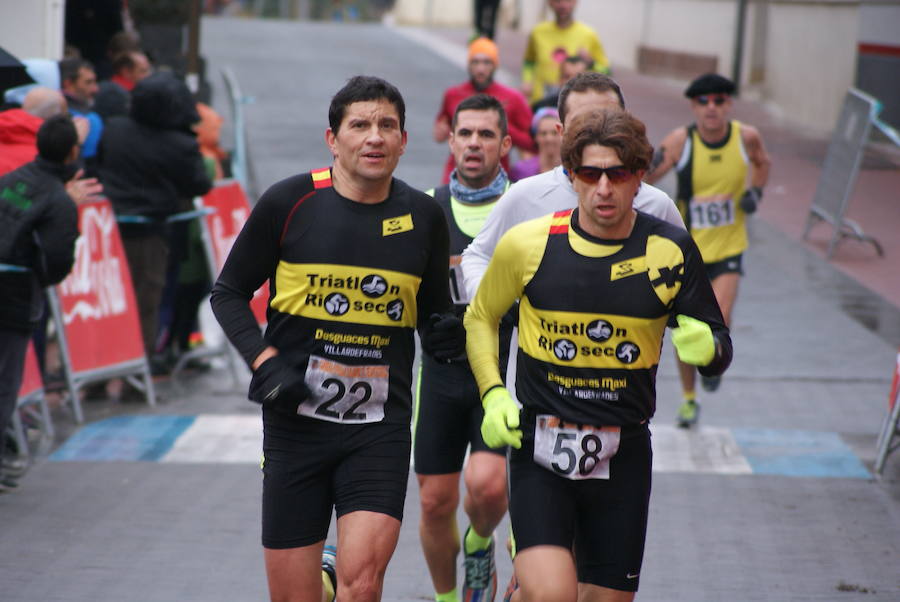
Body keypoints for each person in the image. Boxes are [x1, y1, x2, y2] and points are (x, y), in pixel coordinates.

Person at [209, 75, 466, 602]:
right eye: (360, 125)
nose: (374, 137)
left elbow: (434, 313)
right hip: (295, 427)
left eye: (387, 126)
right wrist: (263, 361)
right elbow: (228, 293)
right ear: (333, 139)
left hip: (380, 427)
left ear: (404, 140)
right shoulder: (290, 202)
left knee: (362, 584)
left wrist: (446, 333)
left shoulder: (423, 216)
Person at [465, 108, 732, 602]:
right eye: (590, 174)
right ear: (572, 176)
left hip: (624, 454)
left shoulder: (669, 248)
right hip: (540, 448)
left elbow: (718, 341)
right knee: (553, 594)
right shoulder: (529, 244)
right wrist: (494, 393)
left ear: (639, 179)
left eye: (618, 174)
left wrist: (710, 349)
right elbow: (481, 317)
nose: (604, 189)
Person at [461, 71, 684, 303]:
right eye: (583, 123)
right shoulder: (524, 196)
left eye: (608, 118)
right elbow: (478, 256)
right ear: (561, 132)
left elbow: (689, 282)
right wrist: (495, 306)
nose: (598, 131)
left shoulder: (657, 205)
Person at [416, 94, 514, 602]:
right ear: (451, 141)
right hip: (439, 374)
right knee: (434, 502)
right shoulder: (426, 209)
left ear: (505, 143)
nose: (475, 144)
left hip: (501, 372)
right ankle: (448, 597)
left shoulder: (524, 207)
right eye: (466, 134)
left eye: (486, 134)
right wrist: (424, 326)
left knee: (489, 485)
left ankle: (480, 539)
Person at [644, 73, 770, 428]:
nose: (712, 108)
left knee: (720, 318)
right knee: (688, 329)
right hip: (689, 253)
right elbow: (647, 174)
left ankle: (714, 359)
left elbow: (763, 163)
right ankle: (688, 399)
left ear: (730, 105)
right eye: (704, 102)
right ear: (693, 106)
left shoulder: (746, 138)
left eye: (719, 101)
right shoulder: (681, 142)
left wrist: (756, 192)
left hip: (730, 246)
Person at [98, 71, 212, 362]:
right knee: (147, 300)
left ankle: (100, 368)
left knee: (104, 303)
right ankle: (139, 368)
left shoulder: (114, 128)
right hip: (149, 231)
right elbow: (199, 183)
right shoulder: (178, 144)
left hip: (104, 228)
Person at [0, 115, 82, 493]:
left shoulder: (12, 179)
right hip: (14, 299)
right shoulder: (59, 201)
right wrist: (37, 277)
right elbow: (58, 262)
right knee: (5, 382)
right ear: (72, 152)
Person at [434, 37, 534, 184]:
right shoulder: (453, 94)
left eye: (487, 62)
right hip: (455, 174)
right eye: (475, 62)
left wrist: (501, 125)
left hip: (496, 176)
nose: (481, 69)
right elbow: (440, 133)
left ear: (495, 65)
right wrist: (441, 132)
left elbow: (533, 142)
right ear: (469, 65)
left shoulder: (512, 97)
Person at [521, 0, 610, 105]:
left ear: (576, 2)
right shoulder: (538, 32)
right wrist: (527, 81)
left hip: (575, 102)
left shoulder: (589, 34)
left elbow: (606, 71)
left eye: (568, 1)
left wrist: (591, 62)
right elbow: (529, 62)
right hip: (541, 101)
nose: (563, 5)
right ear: (550, 3)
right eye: (558, 1)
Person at [59, 58, 104, 163]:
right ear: (68, 84)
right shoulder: (90, 119)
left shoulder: (47, 111)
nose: (95, 89)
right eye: (88, 82)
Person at [509, 106, 562, 181]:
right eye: (543, 133)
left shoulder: (572, 170)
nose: (549, 138)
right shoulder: (521, 171)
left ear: (562, 135)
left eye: (554, 133)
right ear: (536, 136)